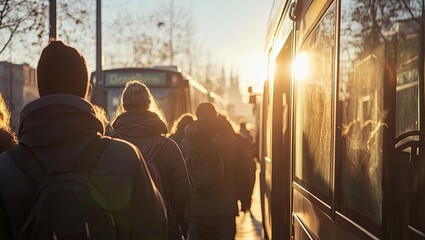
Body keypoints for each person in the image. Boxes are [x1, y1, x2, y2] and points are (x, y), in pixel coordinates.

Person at [0, 41, 168, 239]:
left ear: (40, 87)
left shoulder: (6, 168)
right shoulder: (126, 157)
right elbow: (156, 229)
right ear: (87, 89)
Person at [111, 81, 191, 240]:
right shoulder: (169, 147)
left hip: (121, 231)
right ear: (149, 103)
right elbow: (182, 194)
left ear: (124, 105)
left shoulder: (109, 144)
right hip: (161, 229)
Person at [184, 102, 254, 240]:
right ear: (215, 115)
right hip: (224, 209)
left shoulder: (186, 142)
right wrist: (245, 198)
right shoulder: (231, 142)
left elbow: (180, 177)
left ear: (197, 116)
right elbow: (244, 174)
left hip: (197, 209)